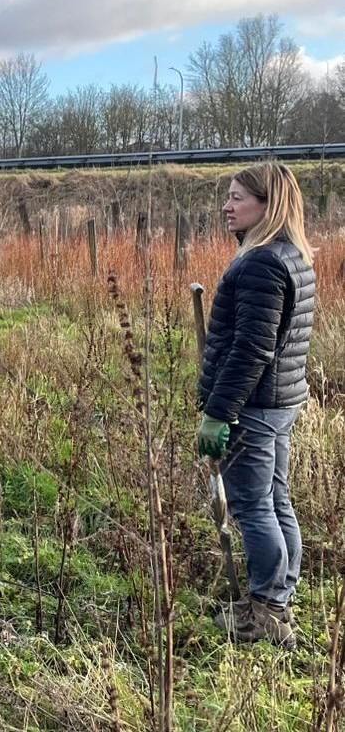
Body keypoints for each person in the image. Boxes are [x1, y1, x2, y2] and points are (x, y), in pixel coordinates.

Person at [198, 161, 315, 650]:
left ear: (269, 207)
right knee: (276, 499)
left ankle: (265, 609)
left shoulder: (262, 262)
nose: (226, 206)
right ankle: (277, 600)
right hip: (279, 400)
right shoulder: (292, 256)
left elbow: (252, 347)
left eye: (237, 198)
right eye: (226, 197)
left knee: (252, 506)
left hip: (256, 405)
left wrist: (220, 411)